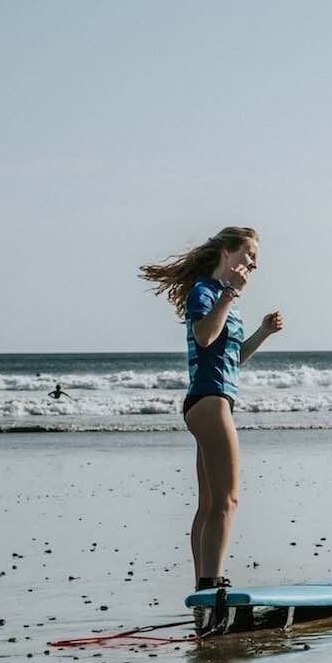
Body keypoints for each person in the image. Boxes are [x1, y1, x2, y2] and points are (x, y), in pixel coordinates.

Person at [138, 226, 284, 598]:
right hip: (210, 401)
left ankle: (204, 584)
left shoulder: (223, 297)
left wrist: (263, 332)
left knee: (209, 501)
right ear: (227, 251)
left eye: (256, 259)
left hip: (212, 399)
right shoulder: (206, 291)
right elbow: (204, 336)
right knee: (228, 499)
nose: (254, 263)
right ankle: (211, 585)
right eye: (249, 254)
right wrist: (231, 294)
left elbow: (232, 359)